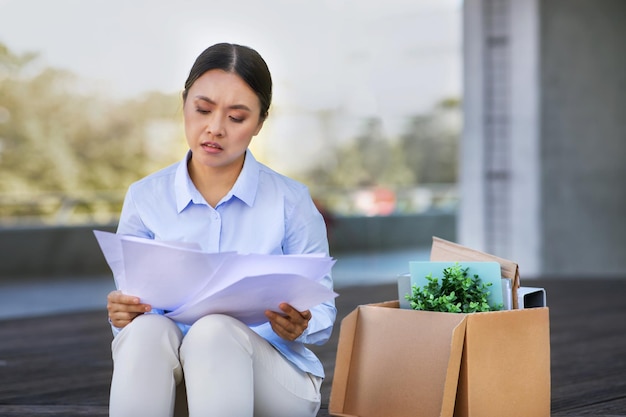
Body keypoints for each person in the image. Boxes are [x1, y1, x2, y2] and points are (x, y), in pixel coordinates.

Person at [106, 42, 336, 417]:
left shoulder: (290, 201)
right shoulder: (145, 197)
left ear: (260, 122)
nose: (214, 128)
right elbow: (134, 306)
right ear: (184, 103)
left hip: (275, 382)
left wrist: (301, 323)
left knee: (214, 330)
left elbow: (322, 309)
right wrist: (122, 315)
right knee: (146, 332)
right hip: (179, 379)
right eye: (203, 109)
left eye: (237, 117)